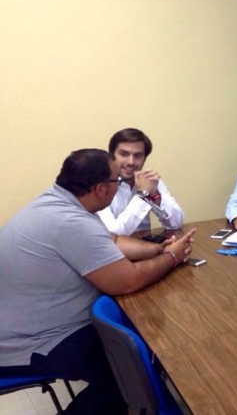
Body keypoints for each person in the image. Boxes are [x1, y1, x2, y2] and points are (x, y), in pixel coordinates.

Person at [0, 149, 196, 414]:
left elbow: (111, 242)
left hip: (32, 324)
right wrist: (172, 258)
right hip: (29, 342)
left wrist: (159, 249)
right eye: (117, 181)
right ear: (101, 189)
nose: (120, 184)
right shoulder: (69, 221)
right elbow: (127, 281)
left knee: (135, 347)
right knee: (127, 373)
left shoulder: (62, 202)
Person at [97, 128, 184, 236]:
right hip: (114, 246)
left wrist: (156, 197)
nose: (131, 162)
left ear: (144, 159)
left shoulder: (149, 180)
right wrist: (143, 194)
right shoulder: (99, 185)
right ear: (112, 156)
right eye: (124, 154)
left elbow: (176, 223)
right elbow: (113, 234)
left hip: (146, 242)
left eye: (138, 156)